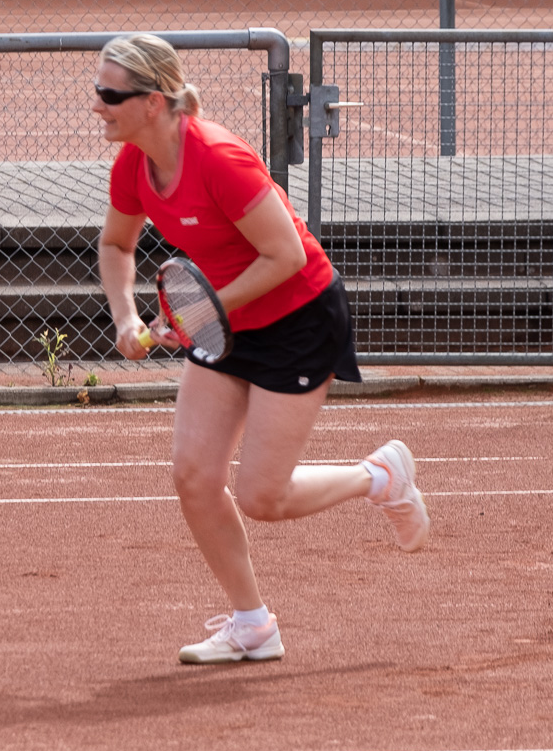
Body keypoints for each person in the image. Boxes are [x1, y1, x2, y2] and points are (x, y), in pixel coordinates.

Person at [94, 33, 429, 665]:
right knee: (194, 477)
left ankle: (379, 476)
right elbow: (116, 246)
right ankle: (252, 625)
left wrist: (203, 312)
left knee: (262, 497)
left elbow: (288, 255)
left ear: (155, 101)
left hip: (298, 318)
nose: (98, 105)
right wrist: (126, 316)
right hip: (226, 318)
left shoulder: (220, 159)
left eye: (112, 94)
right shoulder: (134, 165)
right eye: (97, 90)